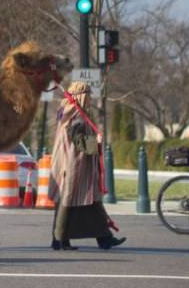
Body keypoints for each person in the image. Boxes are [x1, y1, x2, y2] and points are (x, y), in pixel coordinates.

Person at [49, 81, 125, 251]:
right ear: (81, 96)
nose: (90, 98)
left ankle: (104, 238)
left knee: (92, 201)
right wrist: (95, 143)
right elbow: (78, 141)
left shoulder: (67, 112)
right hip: (74, 166)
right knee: (69, 202)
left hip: (77, 166)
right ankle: (59, 239)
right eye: (88, 95)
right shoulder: (75, 115)